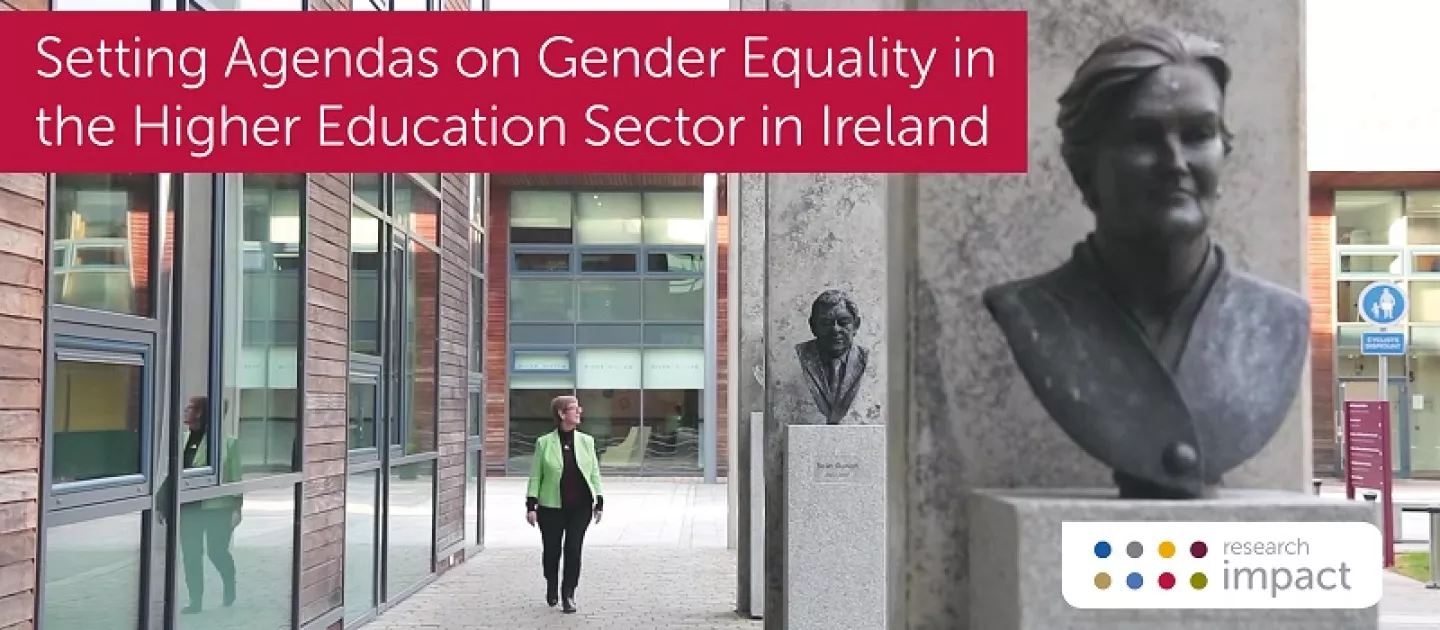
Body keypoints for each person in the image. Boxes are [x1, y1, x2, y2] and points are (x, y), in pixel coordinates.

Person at [526, 395, 604, 614]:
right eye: (574, 408)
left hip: (580, 507)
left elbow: (594, 472)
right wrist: (531, 505)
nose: (579, 411)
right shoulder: (544, 443)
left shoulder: (587, 441)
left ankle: (568, 593)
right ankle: (551, 583)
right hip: (551, 508)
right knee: (552, 552)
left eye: (579, 407)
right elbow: (535, 476)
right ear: (561, 414)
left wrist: (599, 499)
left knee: (573, 549)